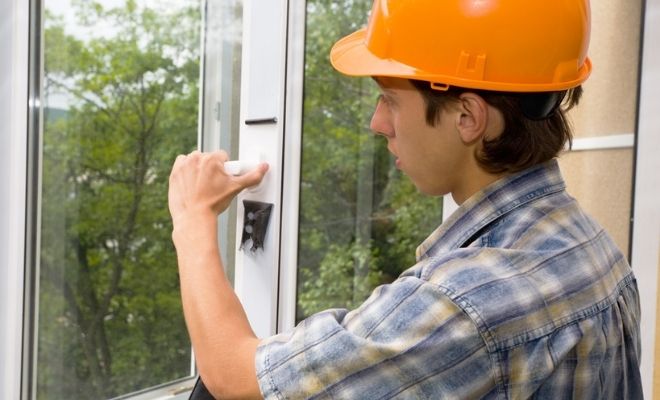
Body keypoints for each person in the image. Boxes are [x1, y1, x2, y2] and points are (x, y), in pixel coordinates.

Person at [167, 0, 642, 398]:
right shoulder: (588, 243)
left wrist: (192, 219)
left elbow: (232, 377)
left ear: (468, 117)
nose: (378, 123)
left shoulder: (463, 303)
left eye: (391, 99)